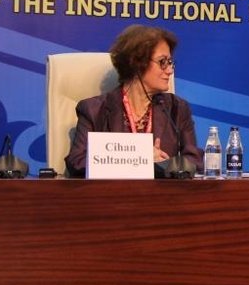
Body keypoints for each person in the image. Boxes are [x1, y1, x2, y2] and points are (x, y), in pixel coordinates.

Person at [65, 25, 202, 177]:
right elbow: (77, 162)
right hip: (111, 191)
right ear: (137, 63)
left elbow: (195, 161)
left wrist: (163, 165)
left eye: (170, 62)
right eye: (162, 62)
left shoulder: (177, 109)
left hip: (162, 192)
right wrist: (141, 159)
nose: (170, 70)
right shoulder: (94, 110)